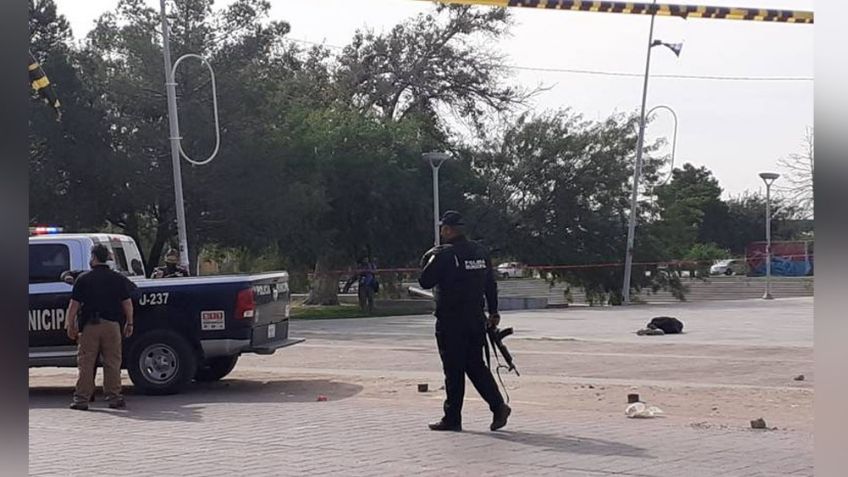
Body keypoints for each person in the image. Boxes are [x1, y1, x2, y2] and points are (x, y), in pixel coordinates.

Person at [418, 210, 511, 432]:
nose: (442, 231)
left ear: (448, 230)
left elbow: (424, 281)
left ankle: (452, 417)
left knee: (453, 369)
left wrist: (432, 256)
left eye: (443, 228)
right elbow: (490, 284)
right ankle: (498, 406)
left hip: (451, 321)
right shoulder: (480, 252)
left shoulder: (444, 255)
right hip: (476, 319)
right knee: (476, 366)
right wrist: (494, 311)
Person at [65, 244, 135, 410]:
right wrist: (130, 322)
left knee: (86, 363)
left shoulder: (83, 279)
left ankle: (82, 400)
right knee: (112, 363)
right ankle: (114, 397)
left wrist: (70, 324)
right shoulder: (117, 278)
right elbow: (127, 303)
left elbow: (73, 305)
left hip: (90, 326)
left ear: (94, 258)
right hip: (112, 326)